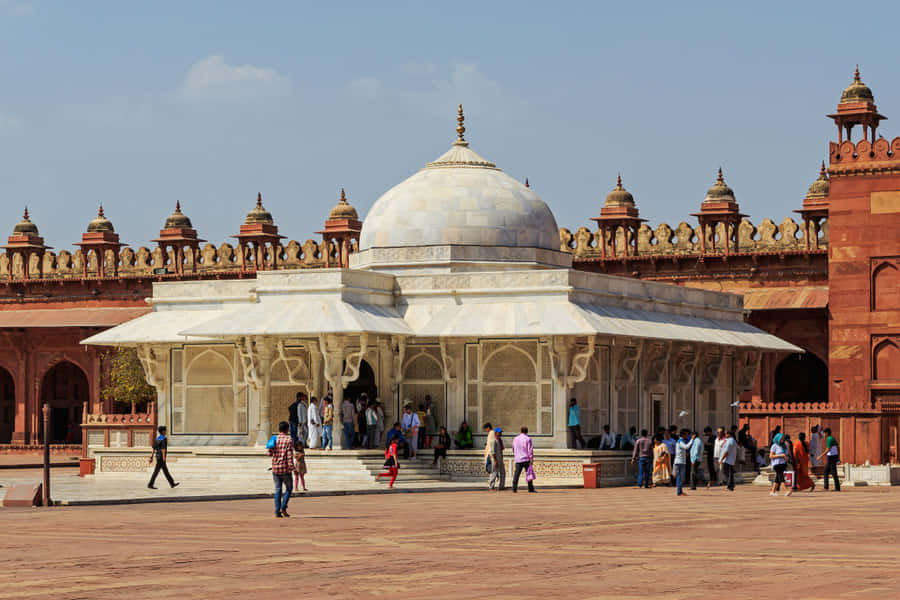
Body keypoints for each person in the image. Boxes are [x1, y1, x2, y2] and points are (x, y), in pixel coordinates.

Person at [269, 421, 294, 517]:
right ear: (287, 429)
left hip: (275, 468)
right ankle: (283, 507)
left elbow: (269, 453)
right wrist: (292, 467)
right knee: (289, 488)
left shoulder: (274, 438)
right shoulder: (289, 440)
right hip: (285, 469)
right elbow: (289, 455)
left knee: (278, 489)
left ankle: (277, 511)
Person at [147, 425, 179, 489]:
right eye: (165, 431)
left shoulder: (157, 438)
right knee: (156, 471)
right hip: (161, 457)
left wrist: (151, 457)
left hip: (157, 456)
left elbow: (154, 448)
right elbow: (163, 449)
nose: (166, 432)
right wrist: (164, 458)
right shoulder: (164, 438)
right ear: (163, 431)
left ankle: (172, 483)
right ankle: (150, 484)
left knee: (165, 471)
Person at [511, 426, 535, 493]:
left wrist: (516, 455)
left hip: (518, 459)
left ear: (520, 431)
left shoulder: (515, 439)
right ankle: (530, 488)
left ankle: (514, 488)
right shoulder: (528, 439)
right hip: (526, 459)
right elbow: (530, 450)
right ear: (527, 432)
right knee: (529, 474)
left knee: (517, 474)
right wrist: (531, 459)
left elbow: (513, 448)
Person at [818, 427, 840, 492]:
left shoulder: (829, 439)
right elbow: (837, 447)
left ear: (827, 433)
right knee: (826, 472)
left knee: (833, 473)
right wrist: (838, 457)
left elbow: (828, 449)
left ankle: (837, 488)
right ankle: (826, 487)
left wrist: (820, 456)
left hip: (831, 458)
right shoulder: (832, 438)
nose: (824, 434)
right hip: (833, 457)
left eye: (824, 433)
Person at [769, 432, 791, 497]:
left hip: (783, 464)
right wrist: (781, 455)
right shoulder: (774, 446)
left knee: (777, 479)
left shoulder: (784, 445)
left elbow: (787, 454)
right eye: (781, 438)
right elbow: (771, 456)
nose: (782, 439)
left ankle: (772, 491)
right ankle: (787, 490)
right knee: (781, 478)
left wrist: (787, 457)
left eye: (783, 438)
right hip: (777, 464)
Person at [673, 429, 691, 496]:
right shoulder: (680, 441)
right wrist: (692, 440)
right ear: (683, 435)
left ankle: (680, 491)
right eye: (686, 434)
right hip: (679, 462)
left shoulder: (681, 441)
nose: (687, 436)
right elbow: (686, 447)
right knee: (680, 477)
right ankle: (679, 492)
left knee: (680, 477)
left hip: (681, 461)